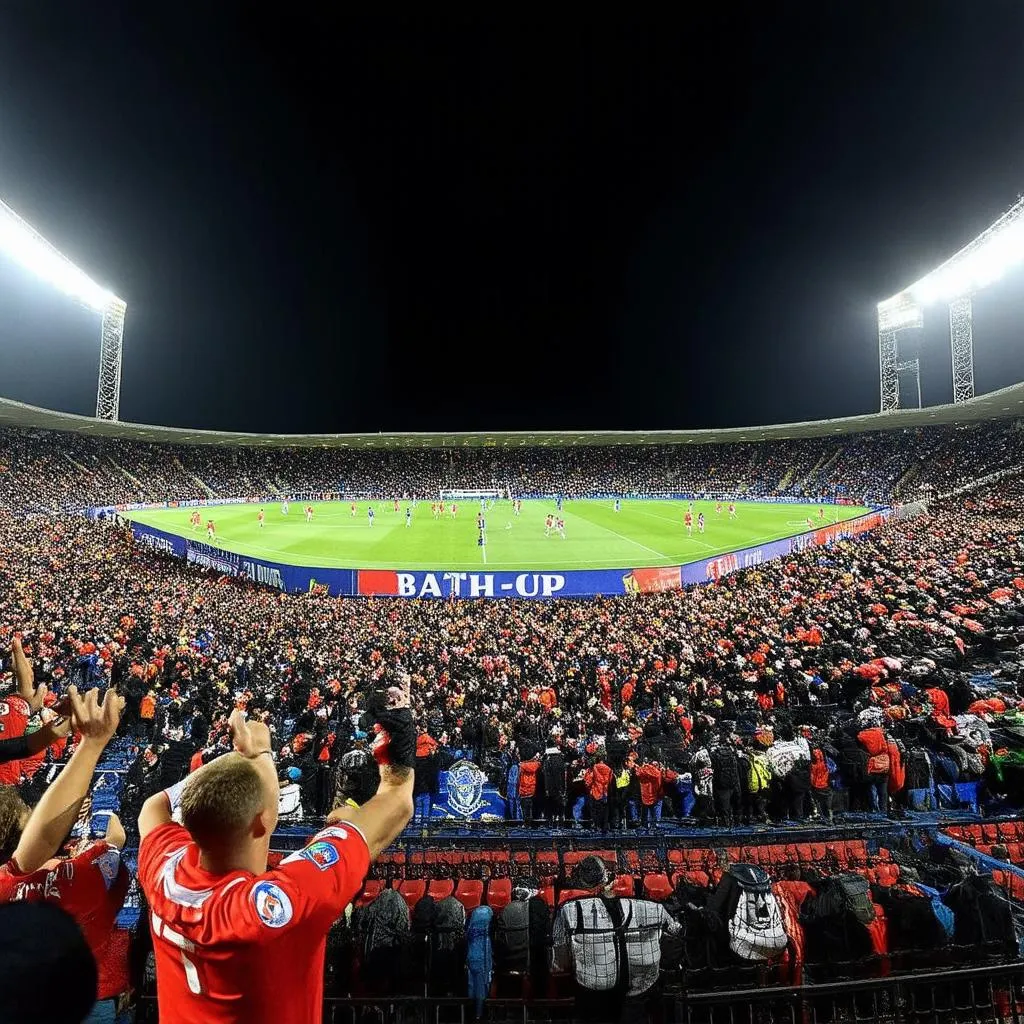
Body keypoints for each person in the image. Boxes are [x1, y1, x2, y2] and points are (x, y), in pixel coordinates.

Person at [137, 688, 415, 1024]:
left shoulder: (161, 868)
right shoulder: (282, 904)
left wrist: (242, 758)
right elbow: (397, 802)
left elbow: (153, 807)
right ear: (263, 820)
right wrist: (398, 748)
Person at [0, 685, 129, 1024]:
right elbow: (113, 842)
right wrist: (92, 744)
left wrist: (60, 733)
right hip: (91, 998)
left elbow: (31, 850)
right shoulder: (80, 876)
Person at [552, 855, 680, 1023]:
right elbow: (676, 937)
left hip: (593, 998)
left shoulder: (569, 911)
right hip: (640, 993)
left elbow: (560, 964)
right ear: (611, 879)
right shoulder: (654, 908)